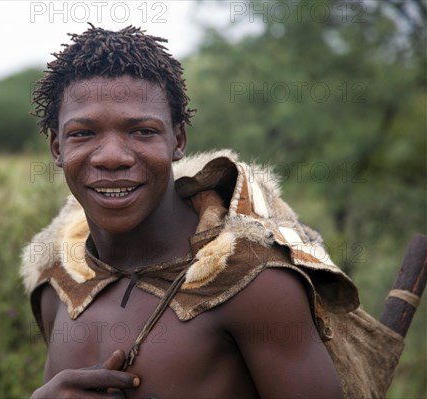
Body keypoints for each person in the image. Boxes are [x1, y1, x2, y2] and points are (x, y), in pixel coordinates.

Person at [21, 25, 392, 399]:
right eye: (83, 133)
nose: (112, 157)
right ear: (56, 148)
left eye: (142, 131)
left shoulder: (254, 285)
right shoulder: (59, 286)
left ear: (177, 140)